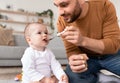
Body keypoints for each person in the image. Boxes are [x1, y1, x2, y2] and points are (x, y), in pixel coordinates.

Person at [53, 0, 120, 83]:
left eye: (64, 5)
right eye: (57, 6)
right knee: (72, 77)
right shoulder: (62, 21)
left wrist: (83, 41)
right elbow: (72, 50)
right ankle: (101, 78)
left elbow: (114, 45)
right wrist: (74, 59)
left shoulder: (105, 6)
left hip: (112, 55)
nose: (60, 12)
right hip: (88, 58)